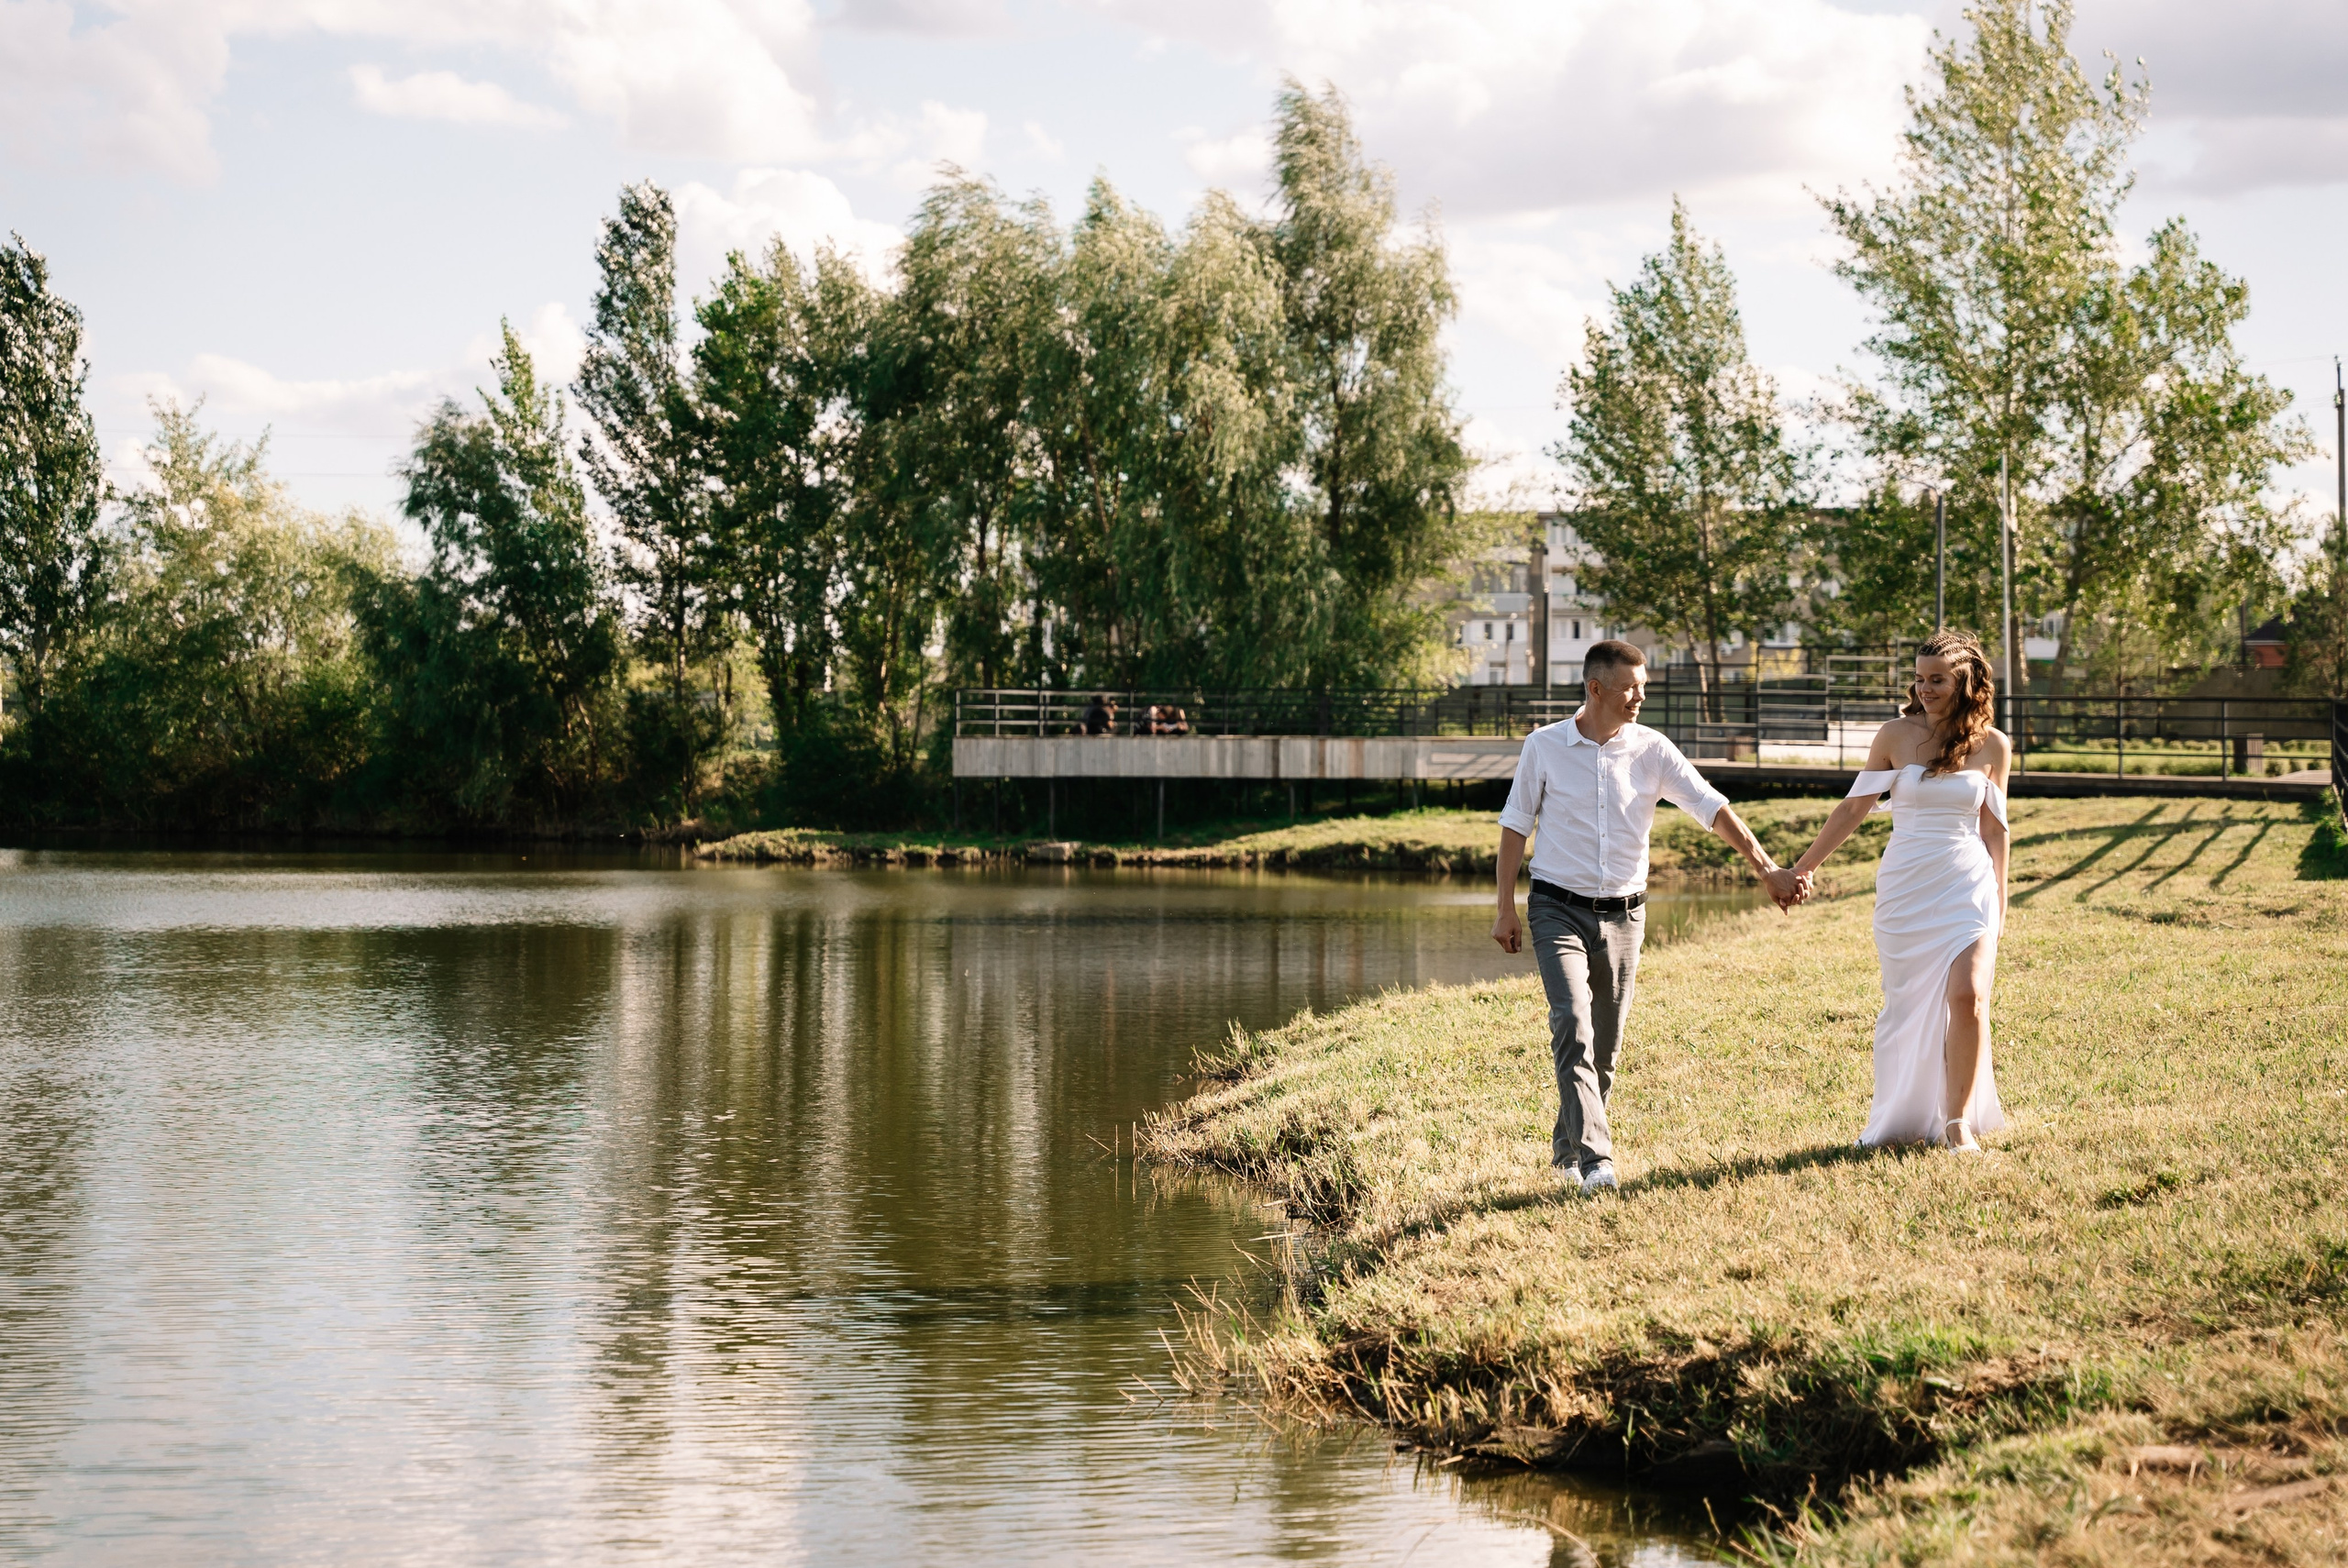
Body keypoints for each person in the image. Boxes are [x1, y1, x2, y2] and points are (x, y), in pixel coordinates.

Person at [1492, 639, 1804, 1193]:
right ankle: (1596, 1162)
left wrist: (1766, 868)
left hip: (1624, 916)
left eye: (1643, 686)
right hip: (1555, 907)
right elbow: (1516, 825)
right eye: (1629, 687)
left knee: (1606, 1047)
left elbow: (1712, 808)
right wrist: (1504, 908)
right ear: (1595, 689)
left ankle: (1566, 1151)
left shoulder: (1652, 749)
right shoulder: (1543, 746)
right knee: (1572, 1024)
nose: (1640, 696)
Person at [1782, 629, 2010, 1153]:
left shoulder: (1994, 746)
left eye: (1937, 680)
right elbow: (1853, 808)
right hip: (1907, 885)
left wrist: (2002, 904)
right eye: (1919, 678)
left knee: (1969, 996)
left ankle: (1958, 1125)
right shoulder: (1893, 735)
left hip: (1966, 883)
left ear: (1966, 681)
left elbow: (1995, 831)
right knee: (1907, 1008)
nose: (1925, 689)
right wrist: (1803, 869)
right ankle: (1903, 1115)